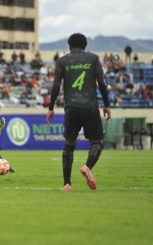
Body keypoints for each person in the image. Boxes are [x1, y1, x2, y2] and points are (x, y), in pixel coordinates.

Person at [46, 33, 111, 192]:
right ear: (85, 45)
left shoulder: (62, 61)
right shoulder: (93, 59)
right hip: (90, 106)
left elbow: (55, 86)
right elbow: (102, 83)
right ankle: (87, 167)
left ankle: (67, 184)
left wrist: (51, 108)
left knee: (69, 144)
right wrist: (106, 104)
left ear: (69, 45)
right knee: (97, 142)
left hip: (71, 108)